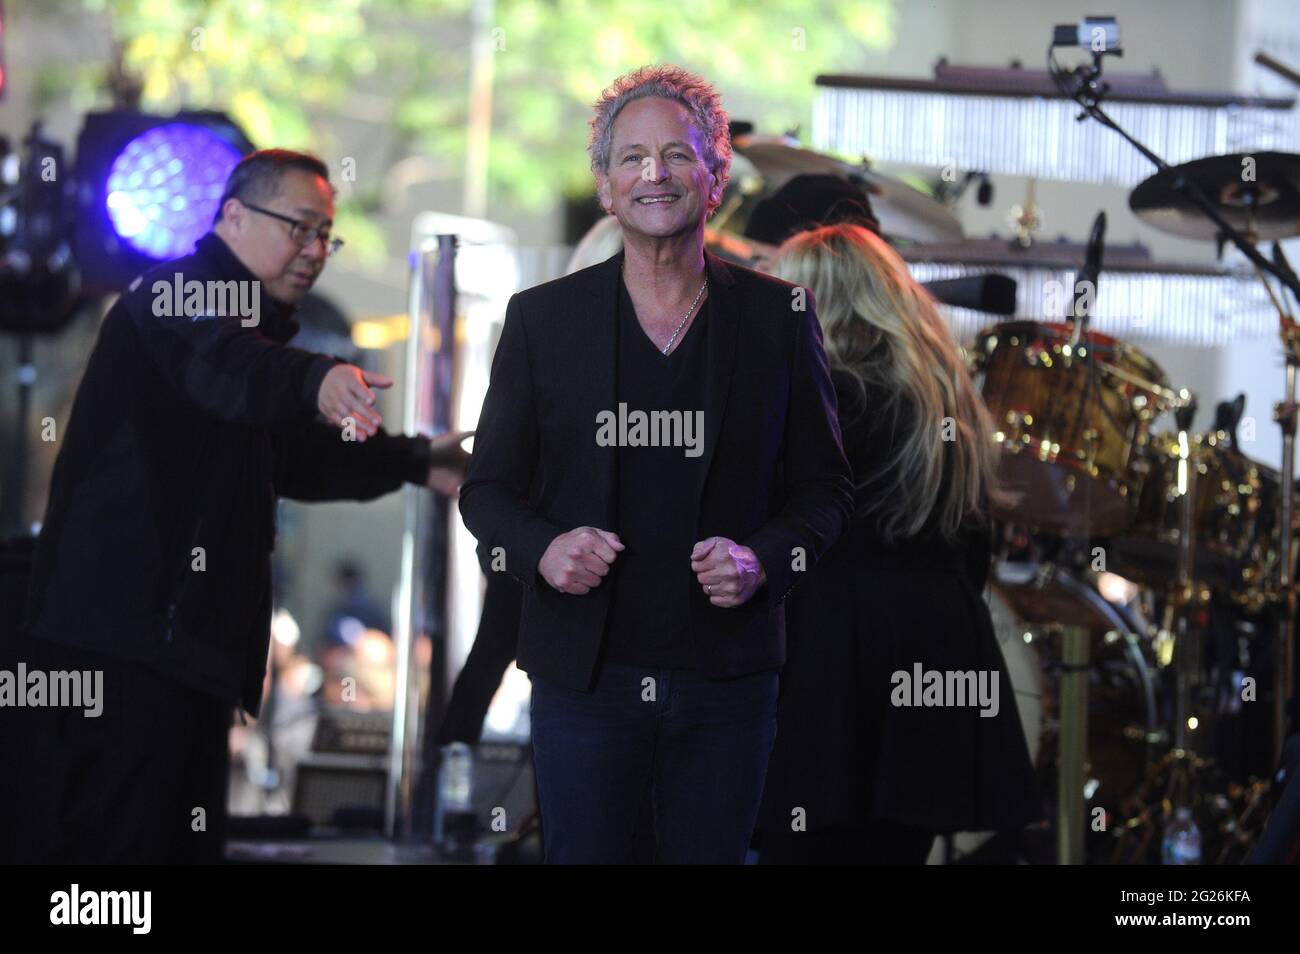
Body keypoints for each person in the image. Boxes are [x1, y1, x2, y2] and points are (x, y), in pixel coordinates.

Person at [14, 149, 469, 864]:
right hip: (126, 651)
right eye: (300, 227)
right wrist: (316, 377)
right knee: (121, 858)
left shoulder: (249, 339)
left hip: (183, 654)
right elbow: (231, 373)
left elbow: (298, 455)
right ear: (231, 215)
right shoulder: (174, 296)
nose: (315, 250)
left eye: (327, 234)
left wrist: (419, 460)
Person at [458, 64, 853, 864]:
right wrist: (543, 548)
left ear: (715, 177)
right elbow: (486, 492)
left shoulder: (779, 318)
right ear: (605, 186)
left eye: (678, 155)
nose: (654, 175)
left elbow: (828, 489)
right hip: (584, 681)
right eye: (632, 158)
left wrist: (762, 561)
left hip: (727, 682)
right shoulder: (542, 321)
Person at [754, 222, 1041, 864]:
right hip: (934, 663)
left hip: (824, 663)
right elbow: (973, 549)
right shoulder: (946, 402)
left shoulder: (810, 404)